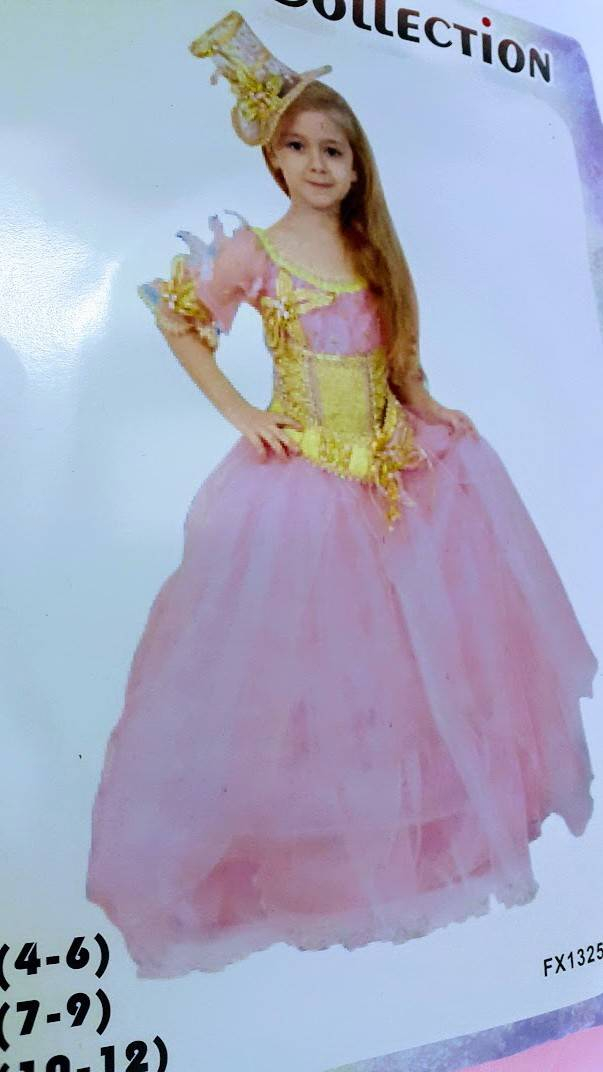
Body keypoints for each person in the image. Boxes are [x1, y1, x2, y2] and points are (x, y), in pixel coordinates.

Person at [86, 10, 597, 979]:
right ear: (271, 158)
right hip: (305, 481)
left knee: (415, 665)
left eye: (335, 149)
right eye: (299, 147)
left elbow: (396, 362)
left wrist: (430, 409)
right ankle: (312, 855)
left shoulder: (370, 255)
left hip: (394, 475)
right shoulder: (257, 251)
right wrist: (243, 411)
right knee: (307, 672)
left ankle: (417, 849)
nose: (317, 164)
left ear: (358, 167)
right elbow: (180, 318)